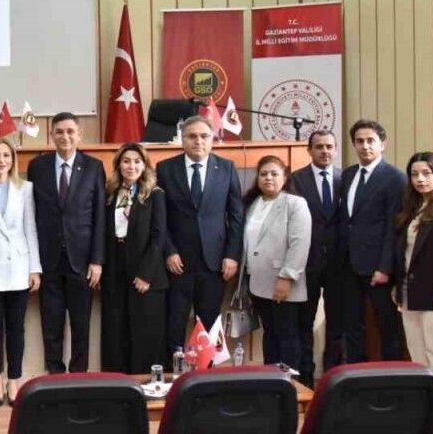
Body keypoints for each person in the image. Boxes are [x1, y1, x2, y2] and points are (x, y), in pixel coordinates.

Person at [157, 115, 245, 361]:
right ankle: (174, 374)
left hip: (214, 262)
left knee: (210, 325)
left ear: (212, 139)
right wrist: (169, 251)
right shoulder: (165, 169)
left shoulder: (226, 168)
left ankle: (207, 375)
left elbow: (236, 216)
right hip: (177, 263)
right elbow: (160, 218)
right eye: (192, 136)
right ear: (182, 140)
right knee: (174, 323)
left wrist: (232, 255)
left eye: (204, 136)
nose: (198, 141)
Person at [26, 112, 105, 374]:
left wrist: (97, 260)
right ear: (52, 135)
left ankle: (79, 378)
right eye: (59, 131)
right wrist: (33, 262)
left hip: (82, 262)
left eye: (70, 131)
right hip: (48, 260)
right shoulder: (37, 167)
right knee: (51, 325)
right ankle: (55, 377)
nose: (65, 136)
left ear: (79, 135)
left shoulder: (93, 167)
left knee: (81, 326)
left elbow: (99, 217)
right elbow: (31, 215)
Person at [0, 138, 40, 406]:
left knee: (16, 328)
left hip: (18, 267)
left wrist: (35, 268)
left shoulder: (25, 188)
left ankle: (14, 379)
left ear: (13, 159)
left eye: (6, 155)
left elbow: (30, 228)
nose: (1, 160)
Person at [337, 119, 407, 361]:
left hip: (378, 267)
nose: (365, 146)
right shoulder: (348, 175)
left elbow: (393, 226)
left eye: (370, 141)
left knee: (388, 325)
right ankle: (355, 374)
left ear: (382, 144)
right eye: (359, 141)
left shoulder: (395, 177)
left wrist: (385, 267)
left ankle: (391, 374)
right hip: (349, 265)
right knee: (352, 325)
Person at [100, 143, 168, 374]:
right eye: (126, 161)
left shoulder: (154, 194)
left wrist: (146, 274)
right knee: (116, 331)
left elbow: (159, 236)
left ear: (144, 165)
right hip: (115, 267)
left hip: (146, 270)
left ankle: (144, 383)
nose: (131, 166)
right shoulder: (110, 194)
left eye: (137, 161)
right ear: (119, 165)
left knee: (144, 332)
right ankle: (118, 383)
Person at [394, 152, 433, 383]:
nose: (420, 179)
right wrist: (397, 286)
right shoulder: (412, 208)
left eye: (426, 173)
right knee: (417, 354)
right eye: (414, 174)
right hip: (409, 292)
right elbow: (404, 254)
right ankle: (425, 401)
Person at [242, 156, 311, 373]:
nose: (268, 178)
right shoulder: (253, 203)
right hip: (258, 282)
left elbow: (300, 243)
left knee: (287, 335)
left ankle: (291, 384)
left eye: (274, 174)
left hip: (283, 283)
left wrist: (286, 277)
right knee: (270, 334)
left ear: (285, 177)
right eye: (263, 174)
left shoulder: (295, 203)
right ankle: (270, 380)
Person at [288, 130, 343, 386]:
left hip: (339, 263)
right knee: (304, 323)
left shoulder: (345, 178)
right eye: (319, 146)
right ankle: (306, 378)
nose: (325, 151)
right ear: (309, 150)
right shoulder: (295, 180)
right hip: (306, 263)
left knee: (337, 323)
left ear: (336, 149)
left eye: (329, 146)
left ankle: (333, 377)